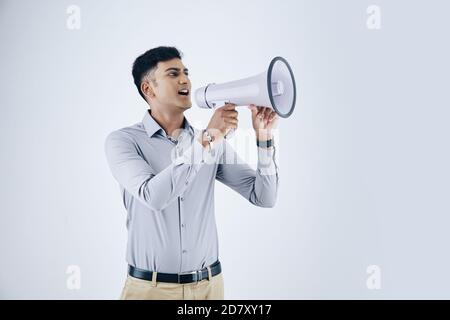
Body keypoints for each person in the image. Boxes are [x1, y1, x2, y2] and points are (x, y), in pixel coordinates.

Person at [104, 46, 279, 300]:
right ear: (148, 89)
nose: (185, 79)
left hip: (209, 287)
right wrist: (208, 139)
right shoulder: (123, 142)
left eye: (186, 72)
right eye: (173, 74)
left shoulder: (210, 140)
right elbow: (153, 196)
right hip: (150, 291)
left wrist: (264, 138)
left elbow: (264, 196)